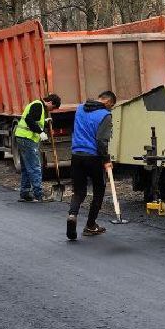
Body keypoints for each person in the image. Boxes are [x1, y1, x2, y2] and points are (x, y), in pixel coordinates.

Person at [66, 91, 116, 241]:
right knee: (99, 191)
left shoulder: (80, 108)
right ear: (107, 101)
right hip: (93, 157)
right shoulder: (105, 115)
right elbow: (101, 141)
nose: (111, 109)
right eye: (111, 106)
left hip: (76, 155)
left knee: (79, 191)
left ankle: (72, 215)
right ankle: (90, 225)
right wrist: (106, 159)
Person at [13, 92, 61, 203]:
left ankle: (25, 193)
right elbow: (30, 120)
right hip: (27, 139)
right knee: (35, 167)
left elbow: (33, 118)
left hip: (22, 137)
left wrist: (44, 121)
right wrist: (40, 132)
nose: (51, 110)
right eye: (52, 108)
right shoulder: (38, 105)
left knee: (26, 167)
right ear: (50, 102)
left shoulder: (38, 105)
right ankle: (38, 195)